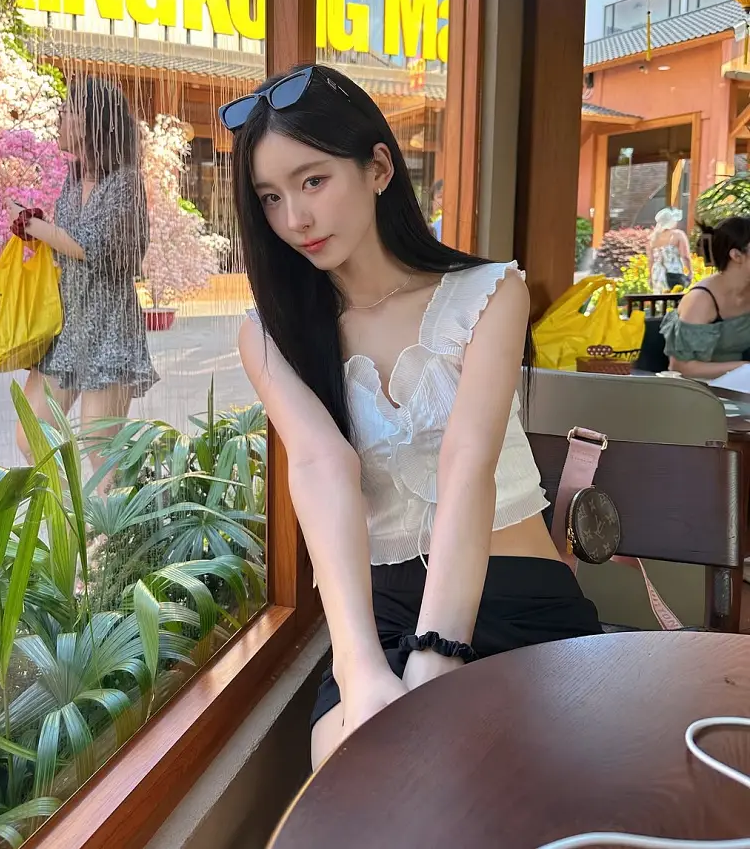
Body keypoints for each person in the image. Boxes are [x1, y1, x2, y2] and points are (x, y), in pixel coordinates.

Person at [221, 64, 602, 770]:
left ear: (378, 168)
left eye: (313, 181)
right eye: (270, 197)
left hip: (514, 591)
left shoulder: (489, 294)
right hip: (380, 613)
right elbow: (322, 467)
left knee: (474, 780)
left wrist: (438, 652)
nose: (294, 218)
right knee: (352, 781)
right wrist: (360, 670)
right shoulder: (270, 335)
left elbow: (467, 465)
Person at [9, 76, 158, 485]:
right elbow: (67, 244)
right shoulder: (73, 179)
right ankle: (73, 513)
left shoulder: (125, 181)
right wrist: (37, 230)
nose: (58, 117)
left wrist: (32, 224)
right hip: (68, 326)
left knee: (101, 448)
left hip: (110, 326)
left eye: (67, 110)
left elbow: (92, 246)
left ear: (93, 121)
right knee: (31, 433)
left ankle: (117, 521)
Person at [661, 216, 750, 380]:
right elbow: (681, 367)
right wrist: (744, 368)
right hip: (698, 389)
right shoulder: (701, 300)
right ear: (737, 255)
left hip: (739, 384)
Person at [647, 206, 691, 293]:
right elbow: (685, 256)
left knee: (660, 300)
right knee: (675, 299)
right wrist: (690, 272)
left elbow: (651, 260)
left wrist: (650, 277)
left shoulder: (653, 238)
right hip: (674, 273)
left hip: (657, 275)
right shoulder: (678, 235)